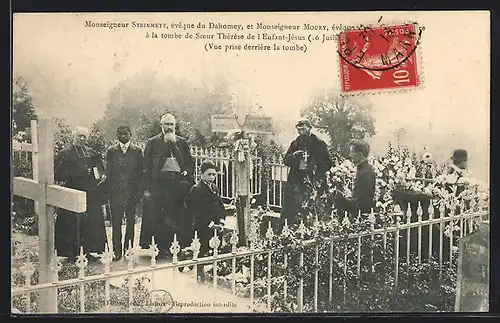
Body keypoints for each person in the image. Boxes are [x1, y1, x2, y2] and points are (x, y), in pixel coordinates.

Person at [139, 114, 194, 258]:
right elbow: (146, 167)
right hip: (160, 185)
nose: (169, 127)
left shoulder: (181, 142)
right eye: (166, 124)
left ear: (175, 126)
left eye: (172, 125)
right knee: (160, 217)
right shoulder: (153, 142)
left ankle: (177, 247)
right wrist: (147, 188)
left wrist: (187, 171)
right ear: (161, 126)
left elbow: (189, 162)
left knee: (177, 215)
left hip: (178, 184)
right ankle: (162, 249)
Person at [54, 126, 107, 262]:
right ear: (74, 137)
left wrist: (100, 175)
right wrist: (75, 174)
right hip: (72, 191)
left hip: (90, 193)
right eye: (80, 136)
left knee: (90, 222)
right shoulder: (65, 153)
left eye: (84, 136)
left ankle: (88, 251)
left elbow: (100, 169)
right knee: (71, 223)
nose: (82, 139)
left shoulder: (91, 152)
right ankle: (71, 254)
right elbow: (57, 174)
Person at [281, 119, 332, 227]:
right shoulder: (295, 143)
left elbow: (327, 163)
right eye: (299, 130)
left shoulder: (319, 143)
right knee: (293, 208)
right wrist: (294, 155)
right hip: (296, 181)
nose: (301, 132)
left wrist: (316, 174)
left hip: (313, 180)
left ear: (310, 128)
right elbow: (286, 161)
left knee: (313, 208)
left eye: (303, 129)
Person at [105, 126, 144, 261]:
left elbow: (141, 174)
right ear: (117, 136)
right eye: (120, 134)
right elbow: (108, 173)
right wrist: (109, 192)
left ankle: (128, 248)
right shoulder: (111, 151)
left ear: (130, 135)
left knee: (131, 222)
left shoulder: (137, 151)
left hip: (131, 194)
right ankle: (117, 251)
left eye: (125, 134)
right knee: (116, 223)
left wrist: (139, 193)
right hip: (116, 194)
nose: (123, 136)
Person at [186, 161, 226, 281]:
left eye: (214, 175)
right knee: (202, 249)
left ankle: (213, 271)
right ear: (201, 174)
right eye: (209, 174)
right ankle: (199, 273)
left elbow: (220, 206)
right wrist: (210, 224)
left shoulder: (215, 188)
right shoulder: (197, 189)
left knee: (216, 247)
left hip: (216, 225)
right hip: (203, 225)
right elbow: (196, 209)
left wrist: (222, 221)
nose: (212, 177)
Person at [336, 139, 376, 217]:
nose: (350, 155)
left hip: (362, 219)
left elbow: (363, 203)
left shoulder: (366, 173)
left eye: (352, 152)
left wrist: (342, 200)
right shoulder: (363, 170)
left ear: (360, 154)